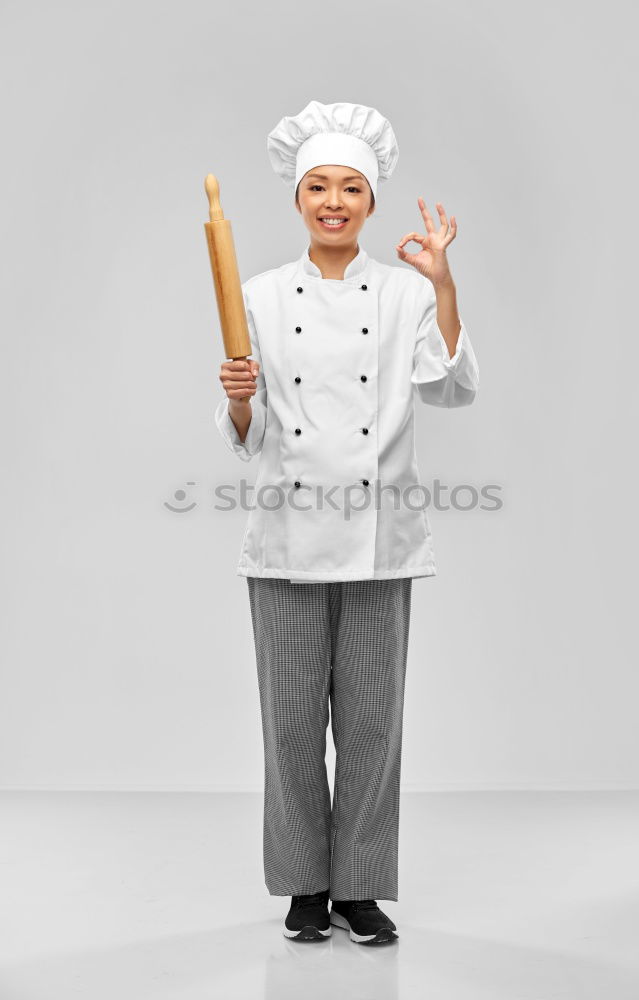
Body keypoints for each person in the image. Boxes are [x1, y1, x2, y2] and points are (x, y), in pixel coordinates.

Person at [214, 100, 480, 945]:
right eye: (320, 186)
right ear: (298, 199)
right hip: (285, 538)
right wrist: (241, 401)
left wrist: (442, 279)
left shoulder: (403, 292)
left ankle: (359, 884)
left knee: (370, 723)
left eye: (352, 188)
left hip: (380, 539)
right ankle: (302, 884)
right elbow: (243, 435)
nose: (335, 200)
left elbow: (451, 385)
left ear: (371, 202)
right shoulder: (256, 294)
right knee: (291, 725)